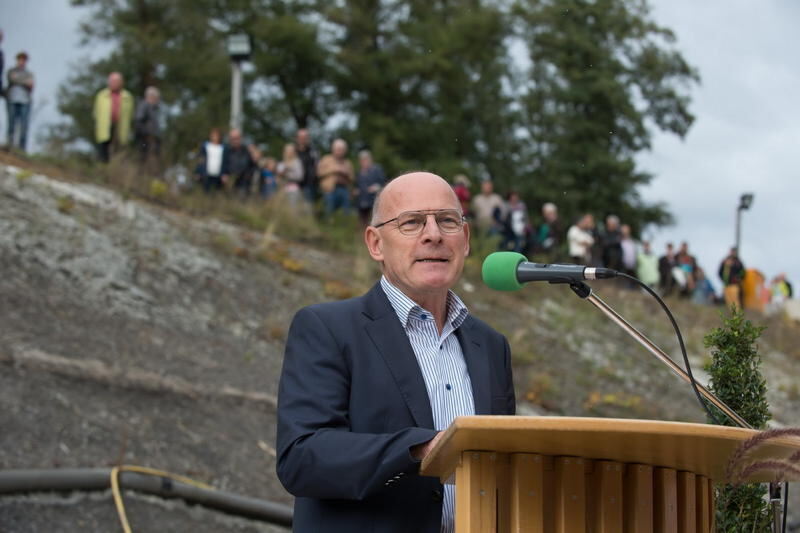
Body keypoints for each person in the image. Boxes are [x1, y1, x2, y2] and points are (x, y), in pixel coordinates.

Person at [276, 171, 516, 533]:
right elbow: (303, 458)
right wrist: (421, 450)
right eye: (412, 222)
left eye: (447, 221)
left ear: (465, 240)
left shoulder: (491, 345)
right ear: (376, 244)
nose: (433, 234)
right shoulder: (328, 328)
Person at [93, 72, 134, 162]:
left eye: (117, 81)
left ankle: (117, 170)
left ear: (121, 83)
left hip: (120, 126)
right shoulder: (101, 95)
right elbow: (96, 111)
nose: (114, 83)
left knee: (119, 150)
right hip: (105, 126)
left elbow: (131, 113)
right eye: (112, 81)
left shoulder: (128, 97)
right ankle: (103, 168)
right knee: (103, 149)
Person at [317, 138, 354, 215]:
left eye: (342, 149)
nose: (340, 151)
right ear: (333, 149)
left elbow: (352, 178)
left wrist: (346, 173)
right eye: (338, 149)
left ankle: (345, 222)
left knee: (346, 208)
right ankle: (328, 222)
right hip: (329, 189)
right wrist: (334, 169)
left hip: (344, 189)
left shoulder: (347, 163)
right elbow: (319, 173)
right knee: (329, 207)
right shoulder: (326, 159)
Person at [6, 51, 34, 151]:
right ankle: (9, 146)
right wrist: (24, 82)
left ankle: (21, 149)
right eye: (20, 59)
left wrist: (18, 80)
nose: (22, 62)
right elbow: (11, 79)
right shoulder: (11, 71)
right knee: (11, 124)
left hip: (25, 101)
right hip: (12, 99)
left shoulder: (29, 73)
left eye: (24, 60)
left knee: (23, 126)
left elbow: (31, 85)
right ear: (17, 60)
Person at [134, 86, 163, 173]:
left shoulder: (152, 108)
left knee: (147, 159)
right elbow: (138, 121)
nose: (158, 100)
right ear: (151, 97)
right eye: (157, 98)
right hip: (145, 138)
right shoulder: (144, 106)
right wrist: (146, 134)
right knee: (142, 159)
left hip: (149, 138)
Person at [355, 149, 386, 227]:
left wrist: (376, 187)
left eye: (366, 159)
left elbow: (383, 182)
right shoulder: (360, 172)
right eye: (362, 160)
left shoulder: (377, 169)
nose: (364, 162)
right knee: (362, 218)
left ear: (370, 159)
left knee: (373, 218)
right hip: (362, 199)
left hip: (373, 198)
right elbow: (358, 185)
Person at [226, 128, 257, 196]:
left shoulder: (247, 151)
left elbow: (254, 166)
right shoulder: (226, 151)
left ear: (241, 138)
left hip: (243, 185)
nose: (235, 140)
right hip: (228, 185)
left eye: (237, 138)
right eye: (232, 138)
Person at [196, 127, 227, 192]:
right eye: (213, 135)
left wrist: (224, 173)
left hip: (218, 176)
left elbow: (225, 162)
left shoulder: (223, 147)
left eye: (217, 135)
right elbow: (201, 160)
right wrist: (198, 172)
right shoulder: (205, 146)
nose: (215, 137)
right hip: (206, 174)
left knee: (217, 193)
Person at [277, 142, 304, 207]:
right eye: (287, 150)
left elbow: (300, 176)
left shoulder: (297, 162)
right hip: (282, 189)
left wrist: (287, 173)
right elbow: (278, 176)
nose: (289, 152)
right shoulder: (282, 163)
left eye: (290, 151)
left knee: (292, 208)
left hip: (293, 189)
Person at [295, 128, 319, 203]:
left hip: (309, 184)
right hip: (295, 185)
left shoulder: (313, 151)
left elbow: (317, 165)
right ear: (297, 138)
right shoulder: (292, 151)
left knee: (308, 207)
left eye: (305, 137)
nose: (303, 139)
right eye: (301, 137)